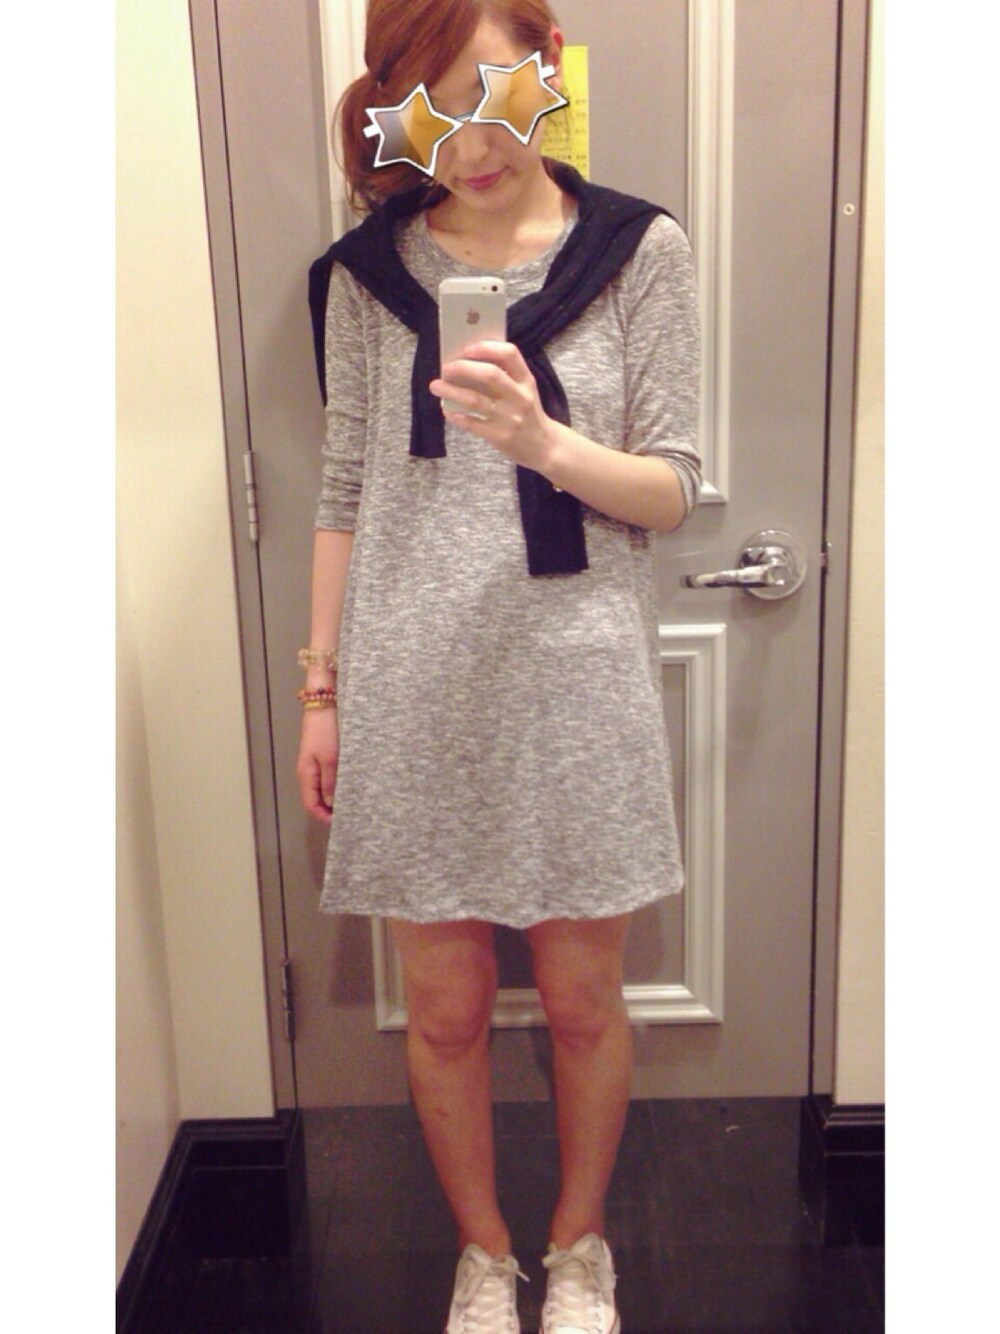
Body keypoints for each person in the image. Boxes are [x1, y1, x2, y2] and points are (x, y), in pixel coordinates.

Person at [297, 1, 700, 1329]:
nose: (468, 139)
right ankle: (484, 1255)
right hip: (414, 679)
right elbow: (344, 488)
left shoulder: (639, 252)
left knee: (584, 1000)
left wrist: (543, 443)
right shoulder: (367, 277)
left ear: (547, 69)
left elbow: (672, 489)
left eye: (488, 92)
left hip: (577, 676)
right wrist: (321, 691)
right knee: (446, 1010)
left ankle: (579, 1249)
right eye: (428, 106)